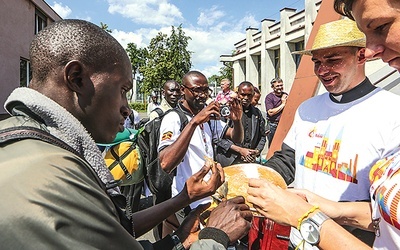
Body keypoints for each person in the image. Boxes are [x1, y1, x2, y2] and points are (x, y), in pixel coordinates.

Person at [0, 19, 253, 249]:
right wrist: (214, 238)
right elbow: (164, 163)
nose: (127, 108)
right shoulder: (49, 177)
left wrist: (180, 233)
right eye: (122, 89)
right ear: (76, 79)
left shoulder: (44, 149)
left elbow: (115, 230)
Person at [260, 19, 400, 249]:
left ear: (361, 56)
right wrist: (254, 177)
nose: (322, 70)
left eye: (333, 60)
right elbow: (287, 162)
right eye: (317, 62)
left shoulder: (392, 111)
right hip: (300, 239)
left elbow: (384, 204)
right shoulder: (307, 108)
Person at [158, 71, 244, 223]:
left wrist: (237, 121)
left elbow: (237, 138)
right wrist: (194, 122)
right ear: (183, 90)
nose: (202, 95)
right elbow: (166, 163)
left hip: (209, 196)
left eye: (205, 90)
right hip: (186, 200)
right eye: (197, 90)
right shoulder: (174, 118)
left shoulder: (208, 117)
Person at [215, 81, 266, 167]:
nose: (246, 98)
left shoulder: (257, 113)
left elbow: (262, 136)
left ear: (253, 95)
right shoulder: (226, 111)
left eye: (249, 95)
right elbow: (217, 138)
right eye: (243, 94)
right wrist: (240, 150)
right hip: (229, 160)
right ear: (237, 94)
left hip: (249, 161)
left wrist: (256, 151)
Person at [264, 77, 288, 146]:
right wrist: (283, 104)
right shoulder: (269, 97)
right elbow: (270, 112)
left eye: (281, 85)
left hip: (283, 124)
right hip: (273, 125)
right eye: (277, 86)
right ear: (272, 87)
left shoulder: (285, 95)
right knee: (272, 146)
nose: (280, 87)